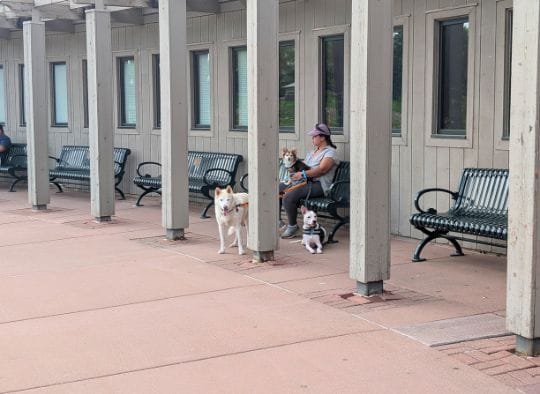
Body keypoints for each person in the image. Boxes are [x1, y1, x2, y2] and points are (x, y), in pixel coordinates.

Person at [280, 122, 339, 238]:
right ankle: (278, 222)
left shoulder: (330, 152)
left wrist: (302, 174)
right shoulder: (312, 152)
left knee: (288, 196)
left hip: (319, 185)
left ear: (322, 137)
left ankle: (292, 226)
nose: (312, 138)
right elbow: (303, 166)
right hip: (305, 182)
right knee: (278, 189)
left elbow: (322, 170)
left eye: (314, 136)